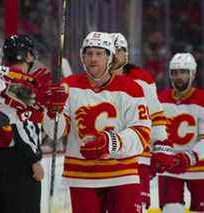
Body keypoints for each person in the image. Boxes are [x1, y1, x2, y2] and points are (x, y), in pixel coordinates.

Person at [43, 31, 151, 213]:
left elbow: (142, 132)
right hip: (81, 176)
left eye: (99, 53)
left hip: (122, 174)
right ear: (82, 57)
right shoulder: (68, 86)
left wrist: (112, 142)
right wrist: (52, 112)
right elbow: (55, 132)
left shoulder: (131, 88)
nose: (93, 58)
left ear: (109, 57)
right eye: (89, 53)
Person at [0, 34, 50, 213]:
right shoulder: (25, 84)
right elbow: (20, 122)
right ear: (28, 56)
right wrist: (34, 159)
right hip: (21, 160)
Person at [109, 32, 174, 210]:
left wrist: (161, 144)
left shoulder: (142, 79)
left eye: (118, 51)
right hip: (104, 160)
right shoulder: (94, 80)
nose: (114, 56)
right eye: (110, 51)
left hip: (138, 159)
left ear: (126, 53)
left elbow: (155, 113)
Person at [158, 53, 204, 213]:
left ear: (192, 73)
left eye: (183, 72)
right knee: (171, 210)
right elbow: (153, 133)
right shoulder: (160, 100)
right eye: (175, 72)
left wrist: (190, 157)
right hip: (170, 167)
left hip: (200, 170)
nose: (179, 76)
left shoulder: (202, 100)